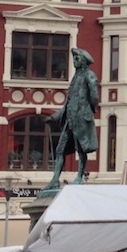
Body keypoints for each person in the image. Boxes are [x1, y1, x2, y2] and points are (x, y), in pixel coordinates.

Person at [41, 48, 99, 193]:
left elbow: (94, 95)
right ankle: (55, 179)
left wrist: (90, 110)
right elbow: (68, 103)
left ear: (84, 61)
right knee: (60, 149)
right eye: (74, 59)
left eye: (77, 59)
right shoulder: (75, 78)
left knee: (81, 149)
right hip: (71, 120)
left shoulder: (89, 75)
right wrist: (54, 117)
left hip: (82, 118)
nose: (74, 61)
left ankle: (79, 176)